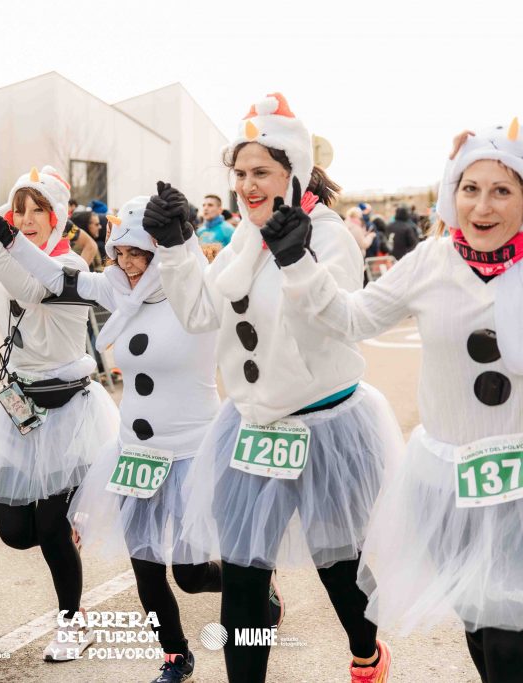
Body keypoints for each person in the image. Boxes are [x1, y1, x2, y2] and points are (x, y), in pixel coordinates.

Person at [274, 120, 523, 683]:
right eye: (470, 188)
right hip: (450, 486)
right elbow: (351, 319)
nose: (482, 206)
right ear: (451, 192)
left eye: (502, 190)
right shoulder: (430, 261)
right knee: (481, 636)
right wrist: (298, 265)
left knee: (508, 645)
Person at [146, 93, 402, 683]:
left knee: (338, 568)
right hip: (254, 426)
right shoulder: (243, 236)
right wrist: (177, 248)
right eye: (239, 173)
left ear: (294, 172)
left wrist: (295, 262)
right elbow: (199, 314)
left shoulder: (330, 234)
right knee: (242, 576)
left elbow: (333, 327)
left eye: (261, 172)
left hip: (323, 426)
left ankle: (367, 652)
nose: (247, 185)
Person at [0, 192, 273, 681]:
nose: (126, 264)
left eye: (137, 254)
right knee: (146, 566)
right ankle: (175, 655)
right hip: (136, 452)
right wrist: (6, 236)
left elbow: (234, 263)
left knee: (190, 575)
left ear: (162, 251)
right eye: (119, 253)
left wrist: (189, 238)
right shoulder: (117, 290)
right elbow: (54, 275)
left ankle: (256, 586)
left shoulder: (200, 295)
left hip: (189, 452)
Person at [0, 164, 120, 662]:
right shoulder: (6, 259)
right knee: (14, 533)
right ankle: (68, 529)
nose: (26, 220)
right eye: (17, 211)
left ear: (56, 216)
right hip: (18, 409)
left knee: (49, 530)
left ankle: (72, 621)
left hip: (68, 413)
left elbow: (30, 289)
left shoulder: (70, 267)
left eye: (37, 211)